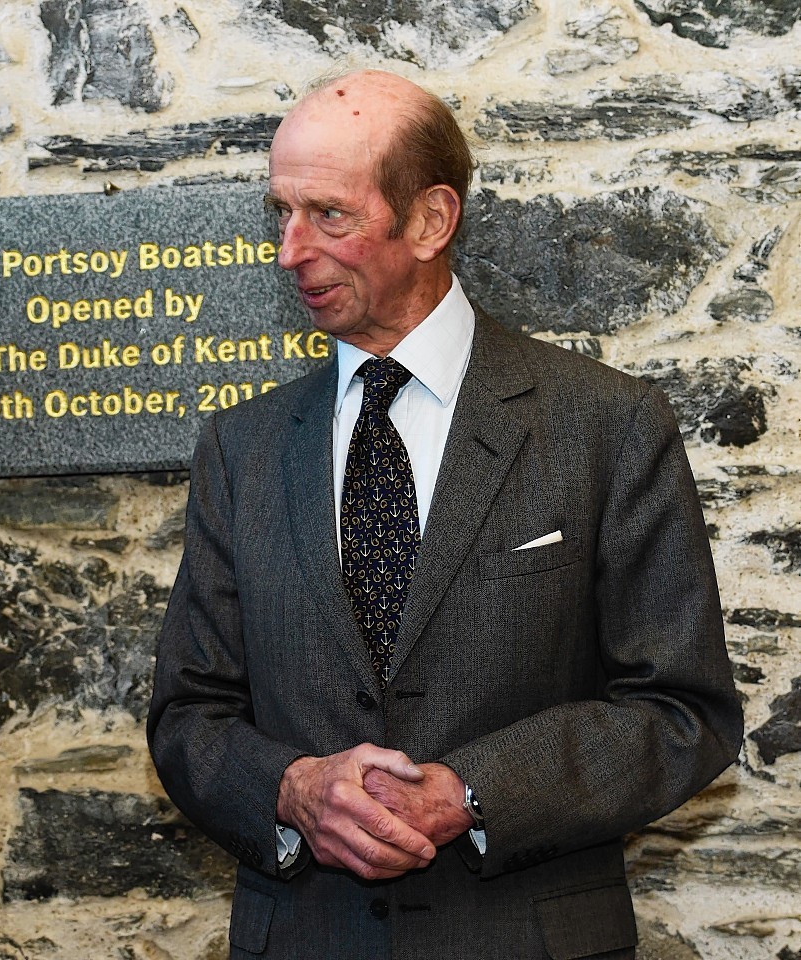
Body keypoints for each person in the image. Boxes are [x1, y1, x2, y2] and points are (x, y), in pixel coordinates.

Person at [147, 69, 743, 959]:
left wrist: (471, 791)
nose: (289, 249)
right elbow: (188, 714)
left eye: (329, 215)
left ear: (430, 220)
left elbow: (680, 712)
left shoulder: (604, 423)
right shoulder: (245, 447)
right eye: (282, 212)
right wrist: (294, 788)